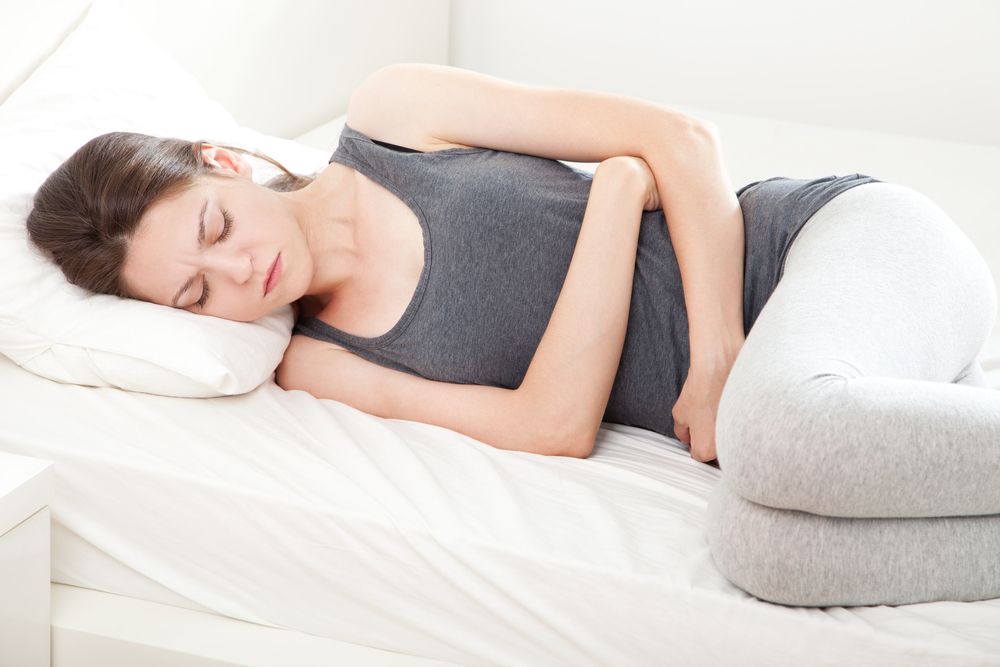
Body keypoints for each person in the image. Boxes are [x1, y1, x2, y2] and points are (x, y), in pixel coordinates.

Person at [25, 63, 999, 606]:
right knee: (763, 554)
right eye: (197, 294)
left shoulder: (391, 119)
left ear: (223, 162)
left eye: (214, 228)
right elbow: (552, 425)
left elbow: (682, 142)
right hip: (811, 399)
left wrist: (717, 356)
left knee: (779, 436)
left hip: (828, 249)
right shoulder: (319, 362)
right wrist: (613, 196)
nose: (238, 273)